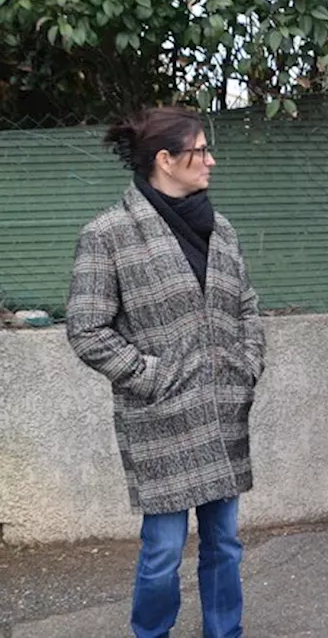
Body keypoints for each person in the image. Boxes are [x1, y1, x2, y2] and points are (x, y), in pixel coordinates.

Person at [65, 106, 265, 638]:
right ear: (165, 160)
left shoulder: (220, 229)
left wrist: (247, 365)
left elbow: (246, 306)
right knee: (163, 550)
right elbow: (87, 330)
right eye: (200, 151)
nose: (211, 161)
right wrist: (153, 376)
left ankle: (225, 632)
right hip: (161, 420)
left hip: (222, 412)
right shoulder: (108, 234)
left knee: (224, 543)